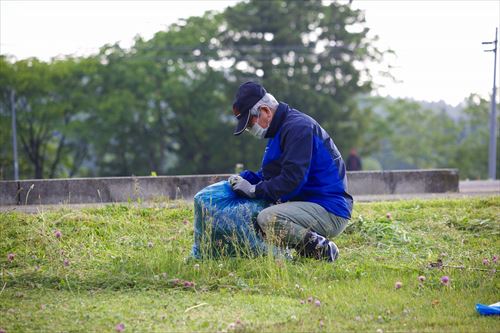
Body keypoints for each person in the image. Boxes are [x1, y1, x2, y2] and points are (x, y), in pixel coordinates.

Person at [229, 81, 353, 262]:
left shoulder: (298, 128)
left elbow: (291, 181)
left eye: (250, 122)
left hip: (329, 209)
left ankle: (322, 249)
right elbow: (269, 177)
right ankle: (301, 252)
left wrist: (254, 190)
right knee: (262, 212)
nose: (249, 129)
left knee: (268, 218)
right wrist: (242, 179)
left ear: (265, 111)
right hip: (309, 204)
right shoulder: (279, 131)